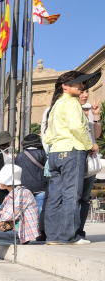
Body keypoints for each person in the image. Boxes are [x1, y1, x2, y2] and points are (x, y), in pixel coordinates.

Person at [44, 70, 100, 244]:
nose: (82, 86)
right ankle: (69, 236)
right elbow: (77, 127)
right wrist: (89, 144)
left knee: (55, 197)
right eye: (78, 84)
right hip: (71, 151)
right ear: (65, 86)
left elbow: (47, 134)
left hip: (55, 153)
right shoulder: (71, 103)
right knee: (71, 195)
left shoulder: (56, 105)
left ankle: (53, 236)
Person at [78, 88, 102, 240]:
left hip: (90, 160)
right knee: (73, 196)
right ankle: (70, 231)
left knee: (85, 198)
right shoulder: (71, 110)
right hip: (75, 157)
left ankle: (79, 230)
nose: (85, 95)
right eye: (82, 92)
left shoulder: (90, 111)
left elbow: (97, 134)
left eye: (87, 91)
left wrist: (97, 116)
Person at [15, 133, 48, 240]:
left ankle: (27, 233)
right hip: (41, 187)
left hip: (24, 188)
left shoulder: (19, 156)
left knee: (27, 212)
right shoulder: (42, 154)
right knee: (40, 210)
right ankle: (40, 233)